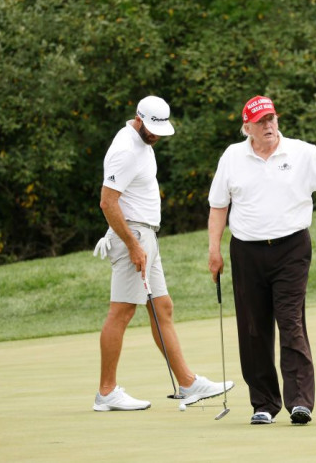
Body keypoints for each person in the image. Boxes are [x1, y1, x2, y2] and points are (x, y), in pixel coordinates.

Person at [207, 95, 316, 426]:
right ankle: (263, 403)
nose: (268, 126)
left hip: (291, 249)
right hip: (246, 251)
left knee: (290, 320)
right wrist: (214, 249)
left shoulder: (300, 152)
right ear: (247, 127)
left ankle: (300, 401)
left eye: (271, 119)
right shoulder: (233, 157)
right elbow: (219, 205)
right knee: (253, 328)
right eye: (260, 122)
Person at [92, 95, 233, 411]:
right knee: (122, 311)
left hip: (145, 236)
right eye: (152, 128)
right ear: (138, 119)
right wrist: (132, 245)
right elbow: (107, 202)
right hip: (133, 236)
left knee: (162, 307)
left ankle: (188, 382)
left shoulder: (143, 144)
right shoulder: (126, 150)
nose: (156, 135)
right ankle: (106, 392)